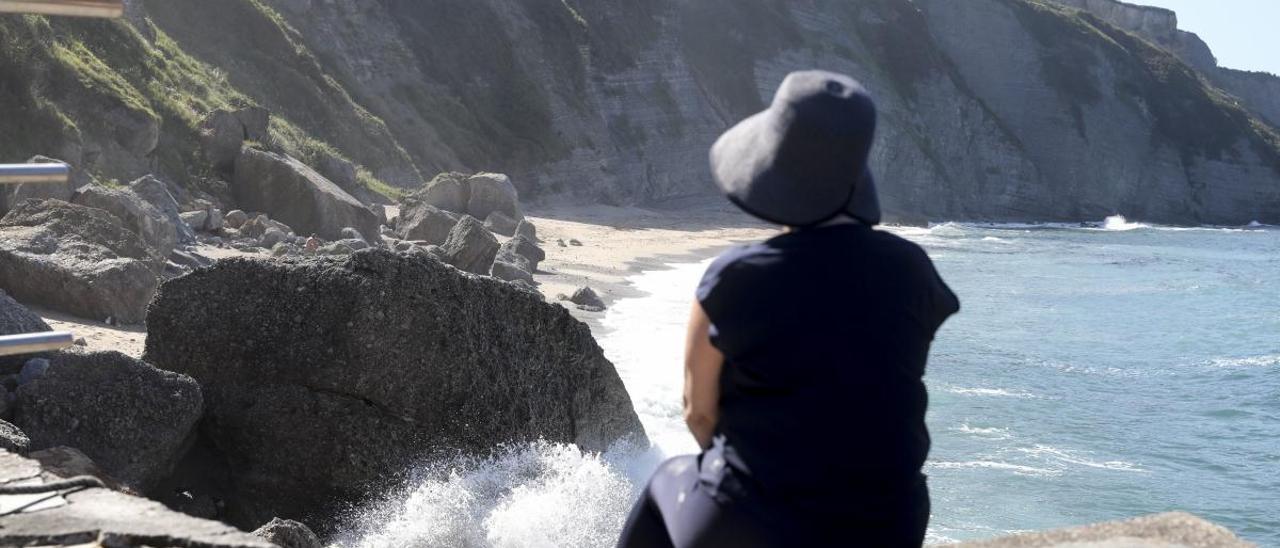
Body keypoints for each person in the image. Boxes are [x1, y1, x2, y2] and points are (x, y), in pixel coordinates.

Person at [616, 70, 960, 547]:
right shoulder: (912, 269)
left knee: (665, 479)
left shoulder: (733, 277)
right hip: (891, 524)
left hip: (755, 525)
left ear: (772, 168)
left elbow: (698, 413)